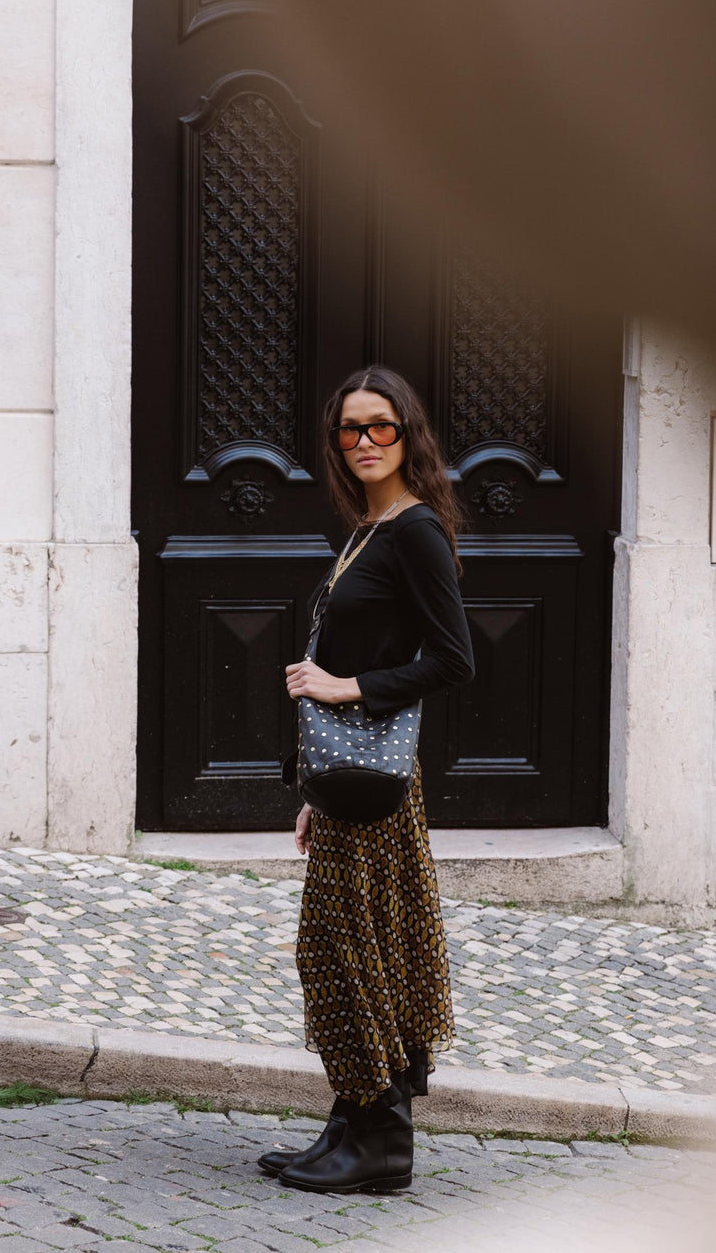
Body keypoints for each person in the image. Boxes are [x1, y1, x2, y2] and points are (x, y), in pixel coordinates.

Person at [258, 366, 475, 1194]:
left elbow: (453, 660)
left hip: (379, 781)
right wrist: (312, 790)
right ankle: (351, 1121)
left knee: (347, 951)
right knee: (350, 949)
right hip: (351, 781)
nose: (363, 444)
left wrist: (347, 687)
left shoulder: (413, 531)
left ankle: (381, 1140)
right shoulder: (366, 530)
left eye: (380, 427)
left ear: (407, 434)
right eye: (349, 431)